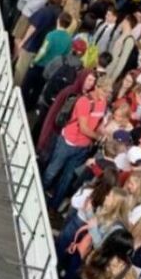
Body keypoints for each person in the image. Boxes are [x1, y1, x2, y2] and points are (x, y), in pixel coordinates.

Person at [42, 74, 108, 210]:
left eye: (109, 92)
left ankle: (53, 207)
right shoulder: (84, 101)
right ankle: (39, 191)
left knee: (67, 178)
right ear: (97, 87)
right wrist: (98, 138)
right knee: (52, 171)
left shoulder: (103, 102)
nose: (106, 95)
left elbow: (98, 123)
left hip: (82, 147)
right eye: (104, 91)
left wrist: (102, 132)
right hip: (68, 142)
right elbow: (84, 128)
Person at [22, 11, 73, 111]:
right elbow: (65, 56)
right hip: (51, 69)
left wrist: (34, 61)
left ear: (58, 21)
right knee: (38, 89)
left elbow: (43, 51)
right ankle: (29, 107)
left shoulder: (51, 35)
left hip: (40, 64)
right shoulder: (68, 40)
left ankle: (21, 102)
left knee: (27, 85)